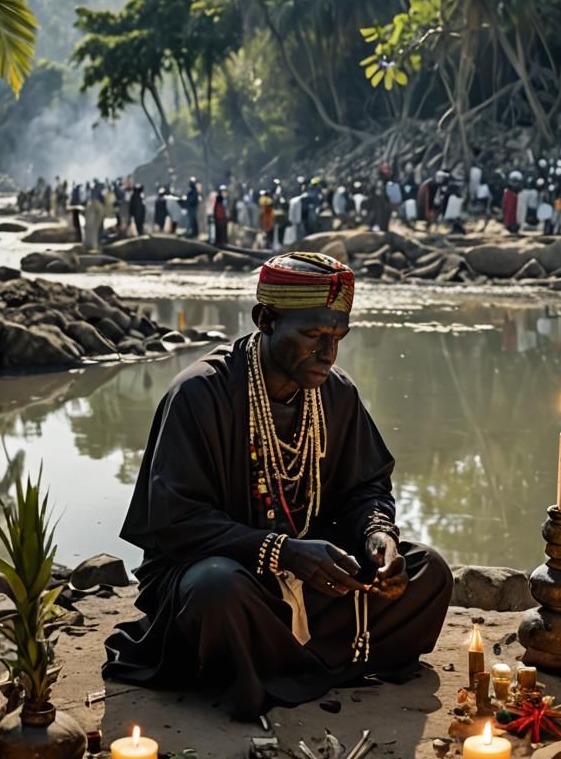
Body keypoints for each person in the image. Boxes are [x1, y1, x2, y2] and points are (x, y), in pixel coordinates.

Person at [103, 253, 453, 720]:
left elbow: (365, 488)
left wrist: (377, 536)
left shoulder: (336, 392)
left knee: (428, 571)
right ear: (265, 320)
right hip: (229, 581)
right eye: (313, 336)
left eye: (337, 338)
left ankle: (269, 664)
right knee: (216, 589)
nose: (328, 354)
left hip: (311, 579)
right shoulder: (200, 394)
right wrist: (282, 552)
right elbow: (176, 522)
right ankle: (318, 660)